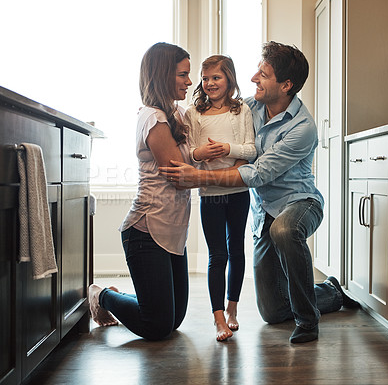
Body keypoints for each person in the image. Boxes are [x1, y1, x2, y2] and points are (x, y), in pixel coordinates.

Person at [159, 41, 359, 344]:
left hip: (299, 202)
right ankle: (331, 292)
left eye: (263, 74)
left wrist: (198, 176)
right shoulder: (249, 108)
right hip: (264, 208)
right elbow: (217, 117)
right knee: (273, 310)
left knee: (284, 229)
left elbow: (259, 172)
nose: (254, 79)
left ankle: (308, 322)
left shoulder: (302, 128)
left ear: (286, 84)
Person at [88, 42, 193, 340]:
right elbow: (179, 177)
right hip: (145, 230)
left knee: (173, 321)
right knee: (156, 326)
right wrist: (229, 178)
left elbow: (192, 159)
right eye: (183, 74)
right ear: (163, 75)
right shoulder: (152, 117)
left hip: (172, 230)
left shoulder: (178, 114)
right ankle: (102, 296)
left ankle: (128, 298)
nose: (189, 81)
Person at [185, 55, 256, 341]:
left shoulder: (241, 111)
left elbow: (251, 150)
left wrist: (227, 148)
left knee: (236, 250)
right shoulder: (195, 113)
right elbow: (189, 152)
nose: (210, 83)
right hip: (210, 194)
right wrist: (200, 154)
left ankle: (232, 310)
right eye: (206, 78)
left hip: (238, 191)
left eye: (217, 77)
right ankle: (217, 319)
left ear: (229, 80)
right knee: (218, 254)